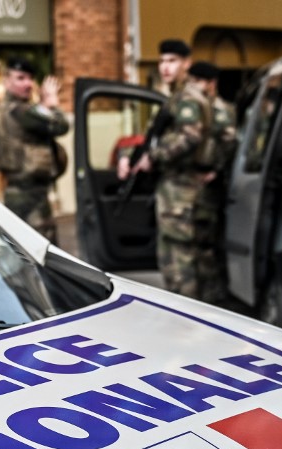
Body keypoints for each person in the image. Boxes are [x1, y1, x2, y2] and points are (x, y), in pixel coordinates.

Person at [119, 40, 214, 299]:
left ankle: (190, 329)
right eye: (162, 61)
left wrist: (154, 158)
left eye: (172, 61)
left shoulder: (187, 98)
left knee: (183, 270)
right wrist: (132, 156)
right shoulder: (175, 98)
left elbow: (190, 136)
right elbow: (154, 138)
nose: (165, 67)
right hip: (172, 194)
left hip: (183, 195)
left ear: (187, 64)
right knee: (172, 266)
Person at [0, 56, 69, 243]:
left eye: (30, 78)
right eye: (21, 78)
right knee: (41, 254)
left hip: (11, 192)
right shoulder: (23, 112)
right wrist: (52, 103)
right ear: (6, 81)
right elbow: (61, 126)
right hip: (33, 198)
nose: (28, 84)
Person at [189, 60, 236, 304]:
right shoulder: (199, 107)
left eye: (198, 82)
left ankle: (214, 299)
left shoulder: (220, 109)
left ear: (211, 84)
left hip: (212, 188)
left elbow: (230, 144)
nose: (194, 87)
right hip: (197, 188)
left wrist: (215, 171)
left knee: (209, 246)